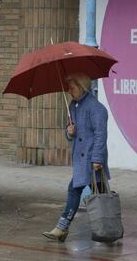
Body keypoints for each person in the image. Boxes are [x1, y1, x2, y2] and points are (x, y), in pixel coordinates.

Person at [42, 72, 110, 242]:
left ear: (82, 87)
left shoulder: (97, 108)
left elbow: (101, 135)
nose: (69, 91)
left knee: (76, 190)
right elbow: (71, 133)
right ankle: (110, 228)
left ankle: (62, 227)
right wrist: (69, 132)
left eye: (72, 88)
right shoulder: (73, 106)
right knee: (101, 195)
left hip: (91, 160)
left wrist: (97, 159)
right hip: (81, 159)